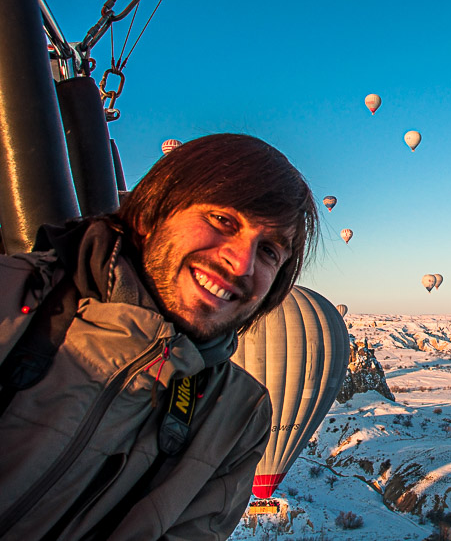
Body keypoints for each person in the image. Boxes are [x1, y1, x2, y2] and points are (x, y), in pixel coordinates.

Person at [0, 133, 318, 539]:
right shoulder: (10, 295)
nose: (240, 264)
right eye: (222, 220)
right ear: (153, 212)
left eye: (269, 250)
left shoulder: (237, 417)